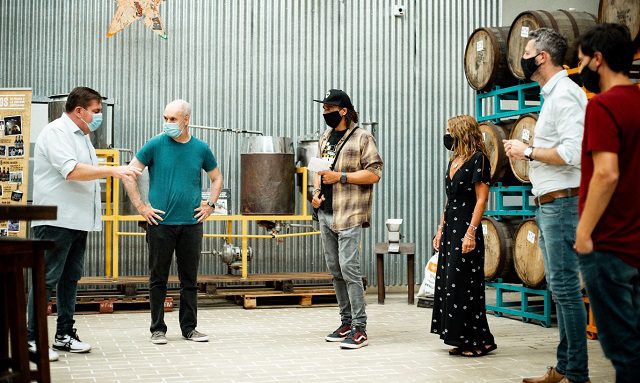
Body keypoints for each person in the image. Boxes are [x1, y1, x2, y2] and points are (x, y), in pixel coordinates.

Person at [28, 86, 141, 361]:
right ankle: (31, 338)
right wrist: (114, 170)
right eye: (96, 111)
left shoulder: (83, 137)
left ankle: (64, 334)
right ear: (79, 111)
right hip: (55, 219)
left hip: (77, 221)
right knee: (46, 280)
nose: (98, 116)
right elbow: (72, 170)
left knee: (70, 278)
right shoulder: (57, 132)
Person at [504, 28, 590, 383]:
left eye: (526, 51)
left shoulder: (565, 95)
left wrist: (526, 151)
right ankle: (565, 367)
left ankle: (577, 373)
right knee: (560, 285)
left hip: (564, 203)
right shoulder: (552, 95)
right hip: (552, 203)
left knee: (566, 287)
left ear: (541, 57)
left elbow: (572, 154)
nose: (521, 57)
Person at [123, 99, 223, 345]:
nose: (167, 123)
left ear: (186, 120)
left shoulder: (200, 148)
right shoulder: (155, 144)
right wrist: (141, 207)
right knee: (158, 278)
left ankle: (189, 328)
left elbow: (217, 177)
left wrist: (210, 205)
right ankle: (157, 329)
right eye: (165, 118)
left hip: (191, 224)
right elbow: (129, 174)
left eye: (173, 119)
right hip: (160, 224)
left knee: (189, 279)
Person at [574, 24, 640, 383]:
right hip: (636, 242)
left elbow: (606, 174)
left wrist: (584, 233)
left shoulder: (603, 107)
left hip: (609, 244)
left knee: (624, 351)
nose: (582, 68)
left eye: (583, 60)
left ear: (598, 60)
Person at [311, 89, 383, 349]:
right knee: (335, 271)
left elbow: (374, 173)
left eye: (329, 109)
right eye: (323, 108)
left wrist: (341, 177)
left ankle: (359, 328)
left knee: (350, 269)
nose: (324, 113)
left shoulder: (363, 137)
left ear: (343, 111)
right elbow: (319, 171)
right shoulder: (326, 138)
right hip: (326, 212)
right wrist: (316, 194)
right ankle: (345, 321)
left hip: (349, 212)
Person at [431, 115, 496, 357]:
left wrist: (471, 232)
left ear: (462, 132)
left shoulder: (479, 160)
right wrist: (440, 229)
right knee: (451, 285)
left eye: (450, 130)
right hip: (451, 228)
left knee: (466, 284)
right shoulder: (454, 160)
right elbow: (450, 200)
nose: (447, 135)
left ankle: (479, 341)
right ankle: (462, 337)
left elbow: (481, 199)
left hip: (467, 227)